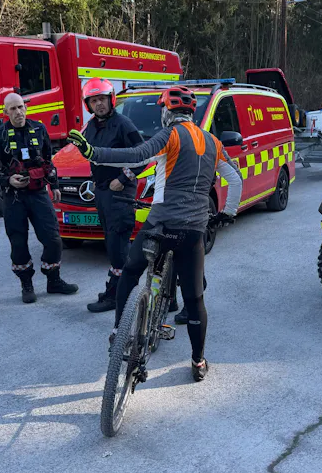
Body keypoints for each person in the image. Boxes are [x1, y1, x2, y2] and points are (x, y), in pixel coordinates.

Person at [68, 86, 242, 382]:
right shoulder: (213, 142)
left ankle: (118, 331)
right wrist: (227, 213)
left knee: (130, 271)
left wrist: (93, 153)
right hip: (194, 229)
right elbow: (234, 180)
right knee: (195, 298)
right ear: (191, 113)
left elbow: (136, 155)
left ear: (166, 113)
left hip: (161, 224)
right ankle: (198, 361)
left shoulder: (170, 135)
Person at [0, 92, 78, 303]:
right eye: (13, 109)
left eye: (21, 107)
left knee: (53, 238)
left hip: (39, 193)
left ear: (26, 107)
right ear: (5, 112)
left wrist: (55, 185)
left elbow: (48, 159)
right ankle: (26, 284)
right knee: (18, 242)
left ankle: (53, 280)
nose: (18, 112)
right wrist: (8, 180)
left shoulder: (39, 129)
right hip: (13, 197)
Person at [79, 78, 147, 314]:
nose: (99, 104)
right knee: (111, 243)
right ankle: (120, 292)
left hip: (119, 193)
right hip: (102, 192)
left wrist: (124, 178)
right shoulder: (91, 126)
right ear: (88, 104)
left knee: (118, 247)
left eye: (102, 99)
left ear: (111, 100)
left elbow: (143, 156)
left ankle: (118, 296)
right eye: (94, 100)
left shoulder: (123, 125)